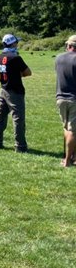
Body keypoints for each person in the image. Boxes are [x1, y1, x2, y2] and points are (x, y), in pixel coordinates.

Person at [0, 33, 31, 152]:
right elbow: (28, 72)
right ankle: (20, 146)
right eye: (16, 42)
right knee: (18, 119)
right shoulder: (15, 57)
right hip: (15, 91)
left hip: (3, 89)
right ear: (12, 43)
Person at [56, 34, 76, 168]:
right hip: (74, 98)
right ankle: (68, 160)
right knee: (73, 130)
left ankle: (71, 156)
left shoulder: (58, 58)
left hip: (61, 97)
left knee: (66, 128)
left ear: (69, 46)